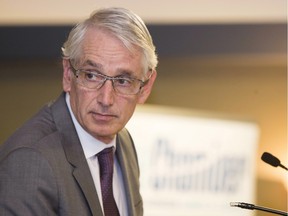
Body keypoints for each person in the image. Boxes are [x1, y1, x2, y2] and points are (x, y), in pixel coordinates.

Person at [0, 7, 157, 216]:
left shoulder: (123, 140)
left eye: (123, 81)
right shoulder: (30, 162)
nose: (106, 99)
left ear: (145, 87)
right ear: (67, 75)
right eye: (91, 75)